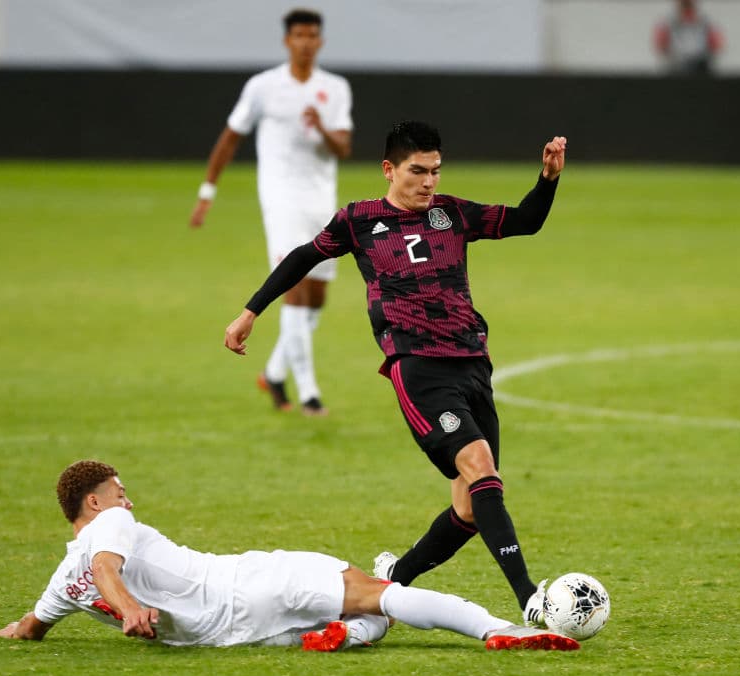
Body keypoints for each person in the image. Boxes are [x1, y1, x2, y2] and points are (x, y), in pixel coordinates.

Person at [223, 121, 567, 627]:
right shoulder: (359, 221)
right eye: (417, 171)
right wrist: (251, 311)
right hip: (418, 366)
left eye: (435, 171)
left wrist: (548, 178)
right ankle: (529, 597)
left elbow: (527, 221)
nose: (429, 182)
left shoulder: (453, 213)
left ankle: (393, 580)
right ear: (389, 170)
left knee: (472, 509)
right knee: (479, 467)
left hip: (472, 362)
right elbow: (301, 258)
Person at [0, 460, 578, 651]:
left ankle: (346, 634)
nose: (128, 499)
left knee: (369, 619)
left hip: (228, 637)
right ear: (95, 501)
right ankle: (498, 628)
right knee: (385, 595)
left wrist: (7, 637)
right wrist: (125, 609)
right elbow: (106, 569)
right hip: (249, 581)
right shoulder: (112, 524)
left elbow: (29, 626)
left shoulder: (60, 579)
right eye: (120, 491)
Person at [190, 8, 354, 416]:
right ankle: (309, 392)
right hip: (280, 198)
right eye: (298, 34)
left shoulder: (334, 88)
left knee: (316, 296)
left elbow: (344, 149)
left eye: (312, 35)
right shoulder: (263, 86)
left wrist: (321, 128)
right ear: (287, 40)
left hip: (321, 198)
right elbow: (230, 138)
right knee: (294, 287)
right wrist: (207, 190)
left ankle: (275, 372)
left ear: (321, 41)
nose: (305, 41)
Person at [653, 0, 724, 75]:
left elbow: (717, 44)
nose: (686, 9)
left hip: (701, 67)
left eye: (689, 4)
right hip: (675, 67)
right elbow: (660, 45)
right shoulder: (667, 23)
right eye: (684, 4)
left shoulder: (706, 23)